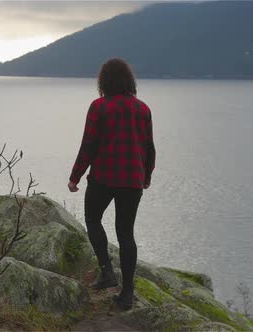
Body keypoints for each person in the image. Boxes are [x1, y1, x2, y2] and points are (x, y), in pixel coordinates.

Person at [68, 58, 155, 310]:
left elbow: (89, 145)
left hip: (103, 178)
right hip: (132, 180)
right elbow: (149, 148)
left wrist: (75, 176)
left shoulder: (99, 107)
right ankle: (127, 293)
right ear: (129, 81)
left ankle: (107, 271)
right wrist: (146, 177)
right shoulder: (142, 109)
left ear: (103, 81)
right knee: (126, 234)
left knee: (93, 220)